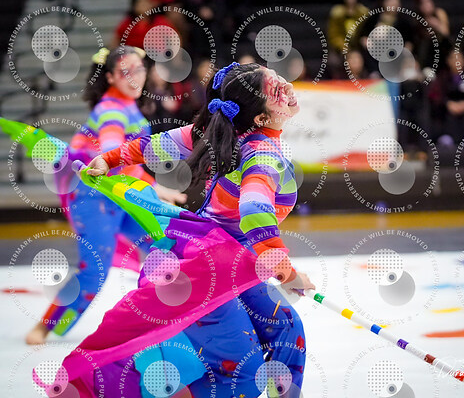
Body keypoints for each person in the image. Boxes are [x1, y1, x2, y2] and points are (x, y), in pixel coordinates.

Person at [58, 62, 316, 397]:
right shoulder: (261, 156)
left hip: (230, 263)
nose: (288, 87)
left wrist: (110, 159)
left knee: (288, 332)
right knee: (243, 375)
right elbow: (255, 214)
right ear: (261, 118)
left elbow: (153, 146)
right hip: (205, 270)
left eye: (279, 79)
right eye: (277, 89)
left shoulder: (220, 133)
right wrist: (287, 273)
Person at [25, 46, 186, 345]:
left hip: (119, 195)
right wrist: (153, 187)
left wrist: (154, 187)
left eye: (139, 69)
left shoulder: (129, 105)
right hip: (93, 200)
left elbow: (125, 161)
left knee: (165, 245)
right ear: (111, 76)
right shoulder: (111, 109)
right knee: (94, 272)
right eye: (126, 71)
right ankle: (46, 326)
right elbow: (113, 152)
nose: (135, 76)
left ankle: (165, 319)